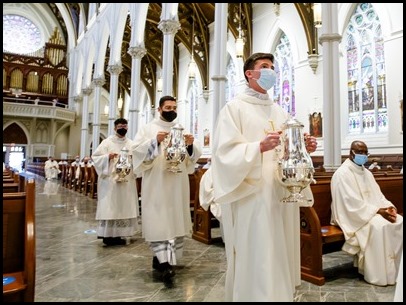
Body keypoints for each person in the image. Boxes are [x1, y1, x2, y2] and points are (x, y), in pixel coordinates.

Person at [207, 52, 318, 301]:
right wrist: (257, 147)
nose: (271, 71)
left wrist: (303, 146)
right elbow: (223, 153)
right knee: (258, 247)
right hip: (252, 191)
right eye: (264, 67)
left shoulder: (279, 111)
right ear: (250, 73)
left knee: (280, 246)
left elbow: (289, 148)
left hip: (280, 189)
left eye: (272, 67)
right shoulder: (233, 109)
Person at [131, 95, 202, 283]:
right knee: (159, 219)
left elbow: (192, 159)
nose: (172, 110)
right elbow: (136, 152)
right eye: (168, 107)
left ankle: (161, 259)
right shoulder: (148, 129)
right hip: (157, 183)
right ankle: (163, 263)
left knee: (173, 218)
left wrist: (189, 145)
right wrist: (154, 141)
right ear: (159, 109)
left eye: (174, 107)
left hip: (177, 183)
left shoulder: (180, 129)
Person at [330, 140, 403, 286]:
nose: (363, 156)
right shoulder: (342, 174)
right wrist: (377, 211)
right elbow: (349, 203)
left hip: (368, 213)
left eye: (365, 153)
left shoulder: (367, 173)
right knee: (379, 226)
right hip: (352, 216)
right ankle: (377, 274)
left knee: (398, 220)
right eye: (360, 152)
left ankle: (394, 272)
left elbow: (378, 196)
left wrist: (388, 207)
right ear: (352, 153)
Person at [91, 118, 140, 246]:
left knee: (124, 206)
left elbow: (138, 160)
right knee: (110, 207)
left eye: (124, 126)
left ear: (127, 128)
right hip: (110, 182)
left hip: (126, 181)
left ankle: (120, 234)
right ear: (115, 128)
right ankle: (108, 235)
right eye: (120, 126)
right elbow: (95, 158)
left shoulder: (131, 144)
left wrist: (132, 159)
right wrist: (108, 156)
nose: (122, 128)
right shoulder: (107, 143)